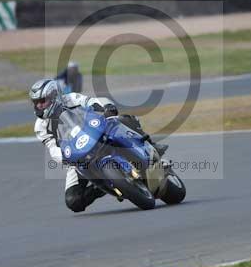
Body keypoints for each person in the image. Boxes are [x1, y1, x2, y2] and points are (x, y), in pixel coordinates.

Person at [30, 78, 168, 213]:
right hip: (77, 156)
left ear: (54, 96)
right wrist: (64, 158)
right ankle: (104, 187)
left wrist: (107, 107)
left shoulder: (71, 99)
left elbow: (91, 101)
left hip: (97, 133)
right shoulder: (40, 126)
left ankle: (152, 145)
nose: (39, 106)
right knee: (74, 201)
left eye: (42, 101)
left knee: (123, 119)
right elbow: (52, 147)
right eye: (36, 103)